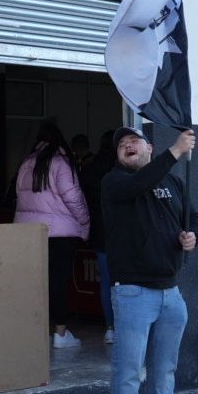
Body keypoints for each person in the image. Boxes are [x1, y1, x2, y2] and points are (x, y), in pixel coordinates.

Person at [101, 126, 198, 394]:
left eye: (134, 140)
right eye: (121, 144)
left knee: (165, 364)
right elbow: (139, 184)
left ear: (149, 147)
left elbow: (194, 215)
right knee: (129, 367)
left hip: (170, 291)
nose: (127, 145)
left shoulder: (172, 182)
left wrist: (192, 236)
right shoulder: (115, 182)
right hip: (132, 290)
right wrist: (174, 152)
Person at [14, 122, 91, 349]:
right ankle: (60, 333)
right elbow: (73, 197)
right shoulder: (60, 163)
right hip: (60, 233)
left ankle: (34, 330)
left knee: (36, 283)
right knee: (59, 282)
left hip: (30, 232)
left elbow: (19, 196)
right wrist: (85, 221)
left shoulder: (27, 162)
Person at [80, 129, 118, 345]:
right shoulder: (122, 167)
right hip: (122, 232)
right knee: (124, 282)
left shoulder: (91, 168)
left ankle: (109, 328)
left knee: (105, 281)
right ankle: (124, 326)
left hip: (99, 230)